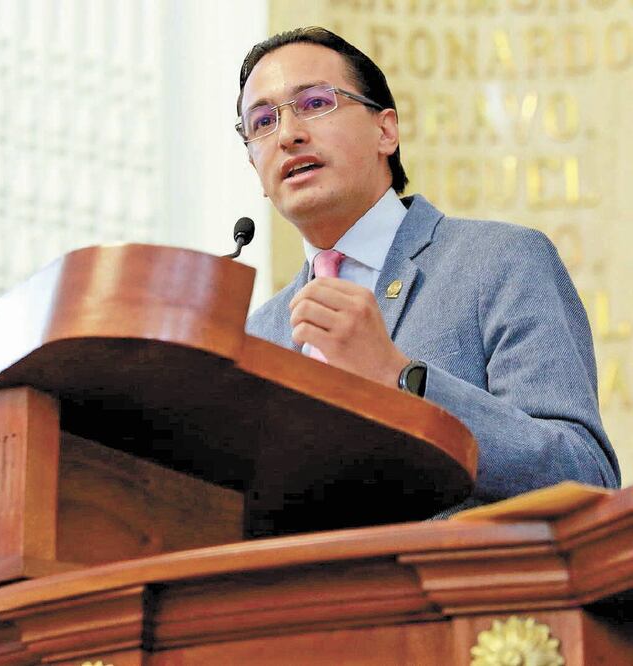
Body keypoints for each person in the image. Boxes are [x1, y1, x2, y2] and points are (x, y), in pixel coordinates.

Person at [237, 26, 620, 512]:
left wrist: (400, 378)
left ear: (386, 131)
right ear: (256, 170)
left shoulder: (500, 261)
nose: (288, 134)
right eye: (263, 121)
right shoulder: (258, 337)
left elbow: (584, 475)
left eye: (315, 103)